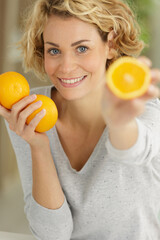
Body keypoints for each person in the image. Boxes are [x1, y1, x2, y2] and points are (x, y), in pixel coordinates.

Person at [0, 0, 160, 239]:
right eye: (54, 50)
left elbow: (134, 150)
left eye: (82, 48)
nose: (66, 67)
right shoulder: (28, 112)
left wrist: (119, 123)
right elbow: (53, 234)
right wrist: (38, 146)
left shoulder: (144, 110)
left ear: (111, 45)